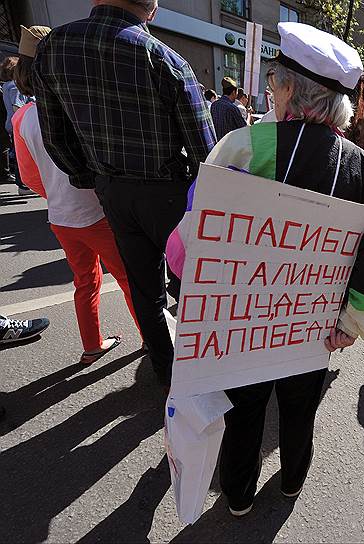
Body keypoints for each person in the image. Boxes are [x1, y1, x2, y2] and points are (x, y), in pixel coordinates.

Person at [166, 22, 364, 516]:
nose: (271, 88)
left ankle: (240, 496)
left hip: (244, 323)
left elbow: (188, 248)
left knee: (246, 411)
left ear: (289, 89)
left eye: (274, 80)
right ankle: (291, 482)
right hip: (315, 325)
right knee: (299, 408)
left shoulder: (242, 147)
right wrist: (353, 325)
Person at [32, 0, 216, 386]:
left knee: (143, 287)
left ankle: (166, 371)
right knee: (197, 280)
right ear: (151, 8)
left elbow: (55, 136)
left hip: (113, 191)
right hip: (167, 192)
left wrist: (90, 177)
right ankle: (202, 364)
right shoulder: (164, 59)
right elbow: (206, 152)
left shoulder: (54, 47)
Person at [14, 24, 140, 364]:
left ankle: (92, 344)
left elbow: (29, 177)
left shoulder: (22, 117)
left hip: (60, 217)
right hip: (95, 213)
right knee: (130, 278)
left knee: (85, 281)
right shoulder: (76, 107)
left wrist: (56, 194)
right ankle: (151, 339)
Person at [1, 56, 33, 196]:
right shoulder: (14, 86)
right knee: (24, 155)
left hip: (13, 124)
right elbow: (17, 106)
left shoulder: (6, 86)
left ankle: (23, 183)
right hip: (18, 124)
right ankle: (23, 185)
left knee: (20, 154)